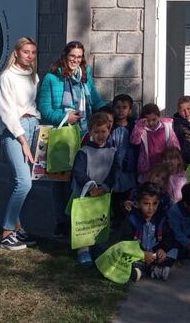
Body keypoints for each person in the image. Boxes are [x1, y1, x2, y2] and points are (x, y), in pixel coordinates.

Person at [37, 41, 104, 238]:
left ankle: (77, 220)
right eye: (72, 56)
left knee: (79, 179)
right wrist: (66, 117)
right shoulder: (51, 78)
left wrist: (110, 110)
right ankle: (61, 222)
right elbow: (45, 109)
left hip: (84, 134)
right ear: (65, 56)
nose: (75, 60)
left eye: (79, 56)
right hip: (64, 135)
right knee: (60, 182)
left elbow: (96, 99)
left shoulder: (85, 75)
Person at [0, 37, 40, 250]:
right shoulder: (7, 76)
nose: (30, 56)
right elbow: (7, 112)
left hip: (33, 124)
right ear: (17, 52)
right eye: (26, 52)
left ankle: (18, 228)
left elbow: (32, 105)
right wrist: (22, 139)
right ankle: (6, 233)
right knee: (24, 182)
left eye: (33, 52)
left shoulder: (33, 76)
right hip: (15, 130)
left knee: (22, 182)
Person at [71, 111, 119, 266]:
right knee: (84, 222)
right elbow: (79, 172)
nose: (100, 135)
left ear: (109, 131)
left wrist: (105, 187)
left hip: (102, 194)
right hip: (85, 193)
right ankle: (83, 250)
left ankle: (97, 246)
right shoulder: (84, 151)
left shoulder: (112, 152)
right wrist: (91, 187)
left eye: (103, 131)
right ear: (90, 132)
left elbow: (114, 172)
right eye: (96, 132)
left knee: (99, 221)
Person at [125, 183, 175, 282]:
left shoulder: (161, 218)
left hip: (155, 252)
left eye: (154, 203)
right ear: (138, 203)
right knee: (126, 258)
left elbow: (169, 236)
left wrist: (163, 249)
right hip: (138, 254)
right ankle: (150, 270)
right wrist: (142, 254)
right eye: (146, 204)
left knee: (174, 251)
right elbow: (125, 242)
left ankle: (150, 269)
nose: (151, 208)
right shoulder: (132, 219)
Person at [130, 103, 179, 182]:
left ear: (159, 117)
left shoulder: (166, 128)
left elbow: (174, 145)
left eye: (154, 120)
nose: (151, 123)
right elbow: (134, 141)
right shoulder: (141, 129)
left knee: (163, 185)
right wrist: (139, 126)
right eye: (147, 120)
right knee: (149, 187)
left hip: (164, 164)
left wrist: (175, 162)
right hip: (147, 167)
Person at [110, 94, 138, 224]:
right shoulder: (110, 126)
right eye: (118, 107)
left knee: (128, 195)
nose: (121, 110)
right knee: (114, 195)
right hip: (113, 167)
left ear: (130, 110)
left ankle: (128, 222)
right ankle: (115, 220)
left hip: (128, 168)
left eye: (124, 107)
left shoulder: (134, 127)